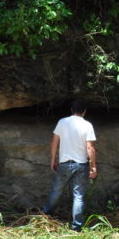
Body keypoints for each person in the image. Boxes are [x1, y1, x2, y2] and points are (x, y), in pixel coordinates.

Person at [42, 98, 97, 231]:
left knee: (56, 190)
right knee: (78, 196)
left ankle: (45, 215)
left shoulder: (62, 122)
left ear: (71, 110)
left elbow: (54, 143)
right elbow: (90, 148)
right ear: (84, 111)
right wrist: (93, 167)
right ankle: (77, 226)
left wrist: (53, 160)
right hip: (81, 165)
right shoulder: (87, 125)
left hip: (64, 164)